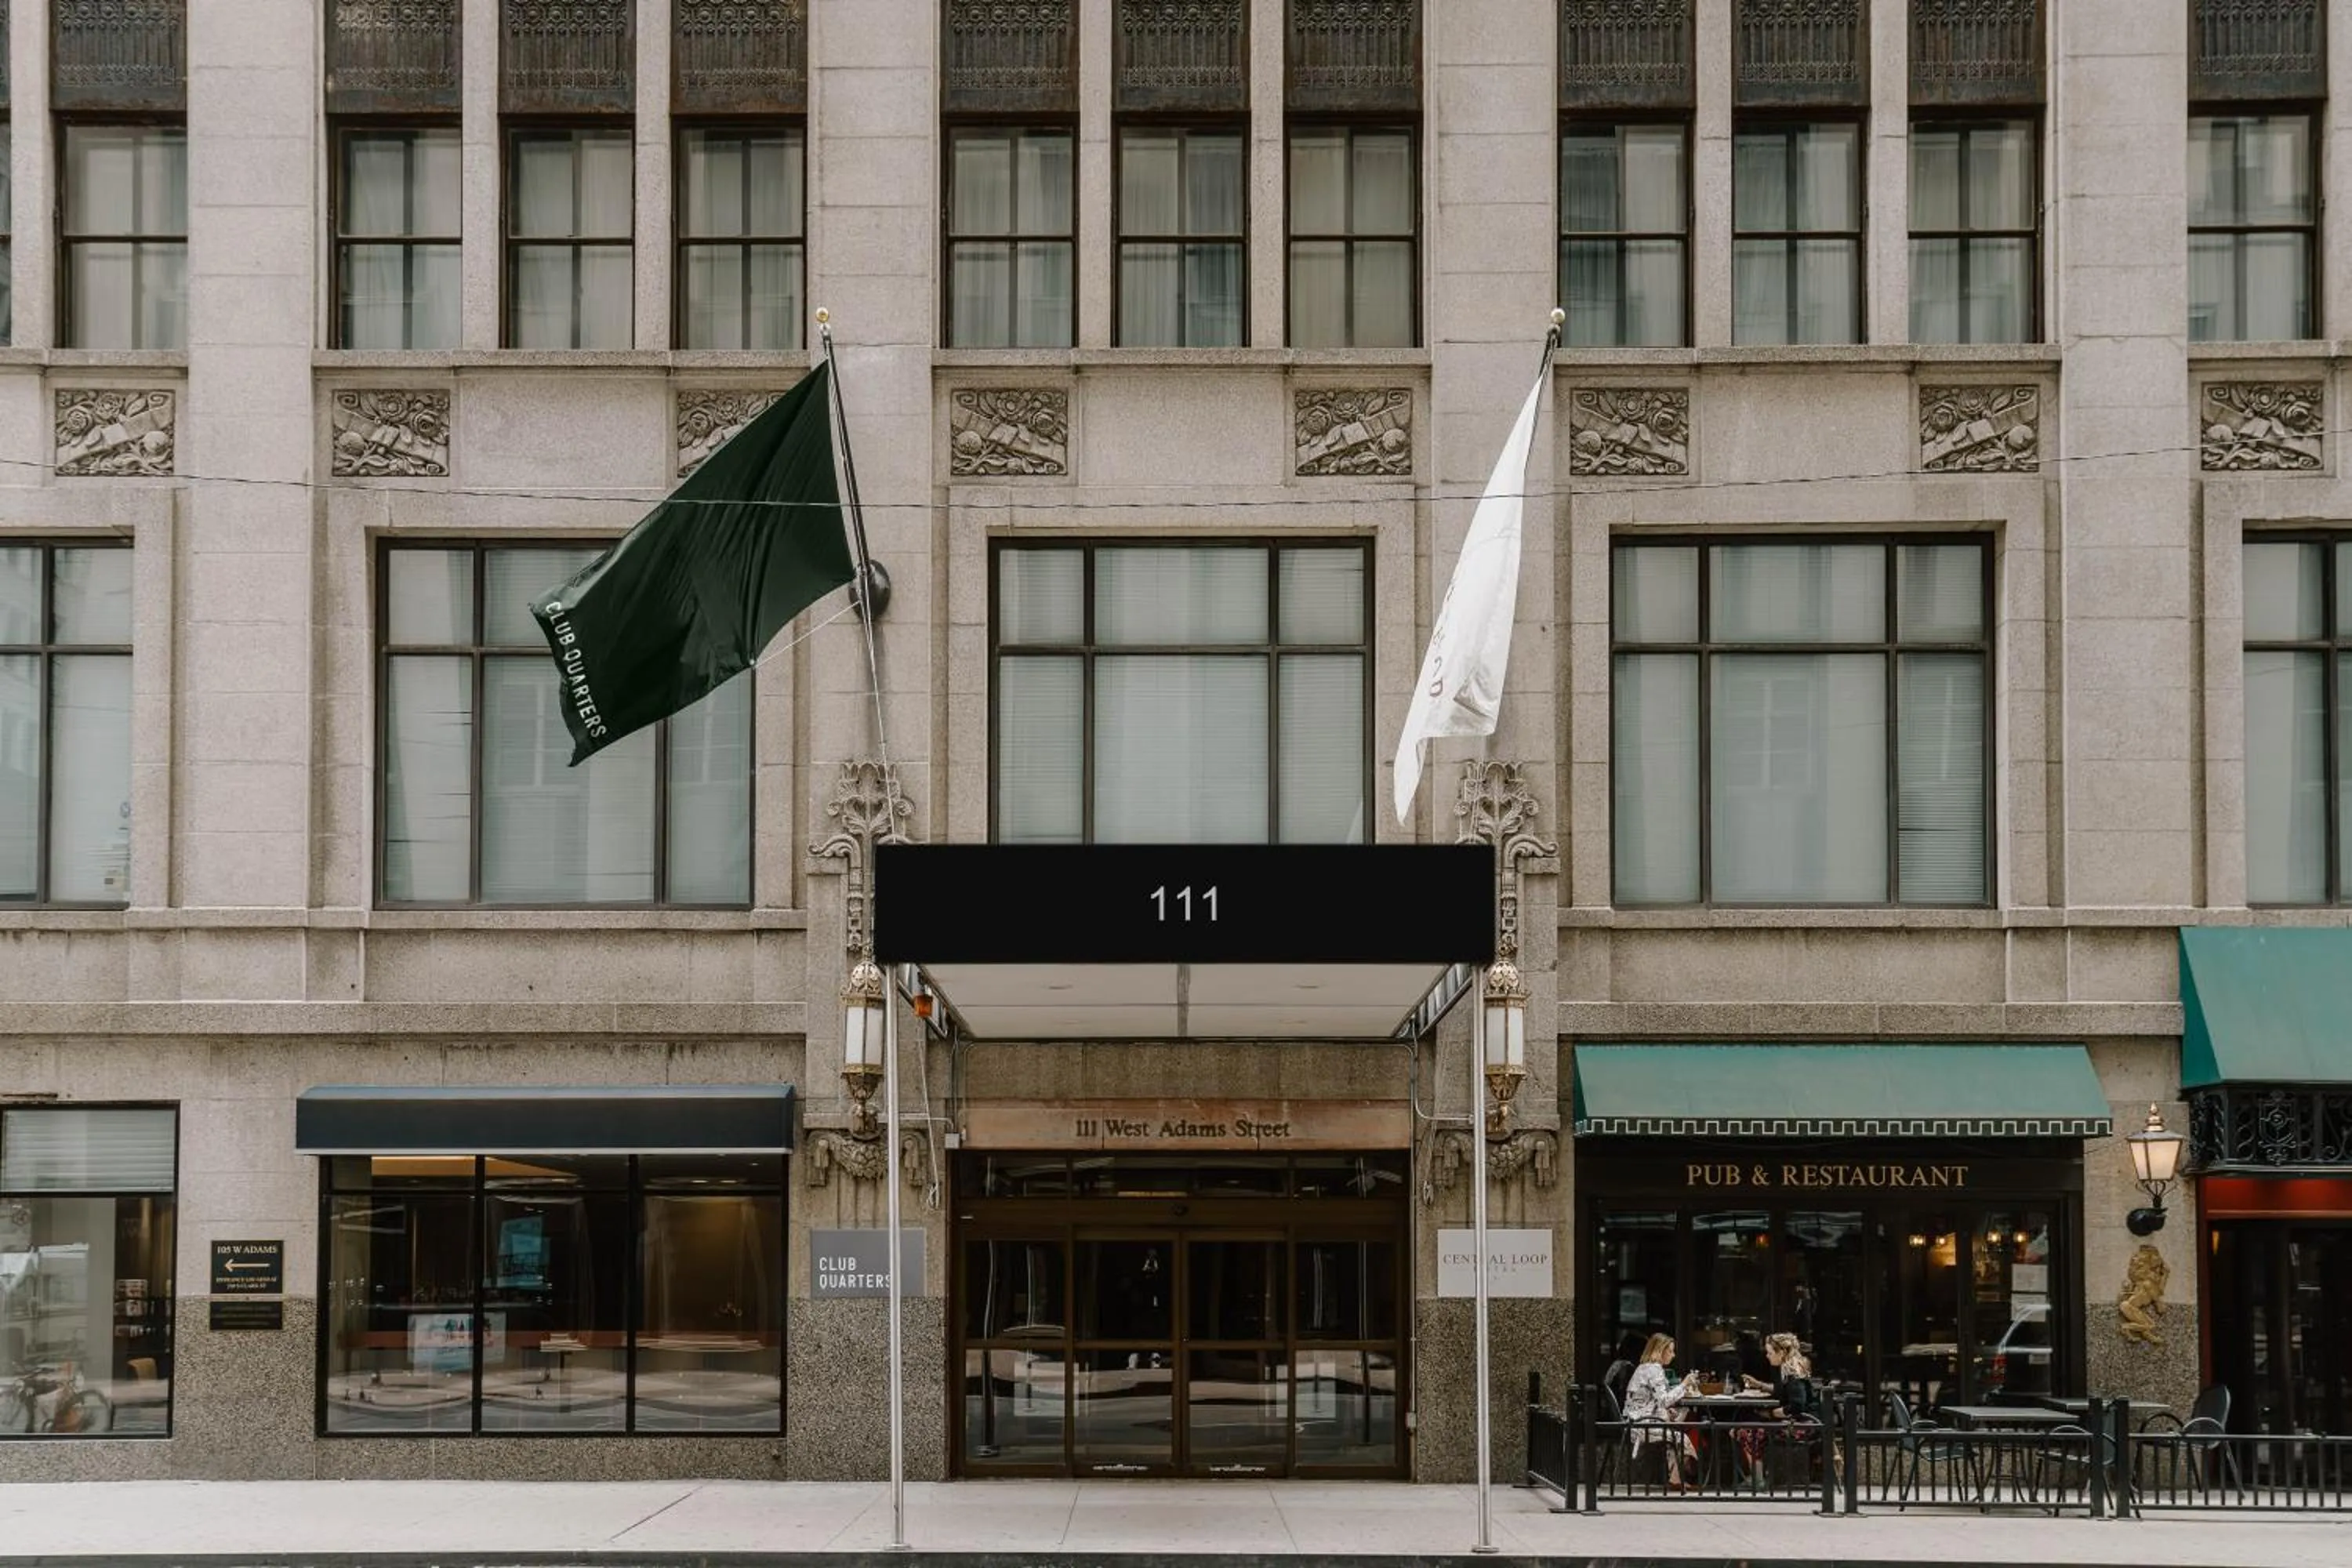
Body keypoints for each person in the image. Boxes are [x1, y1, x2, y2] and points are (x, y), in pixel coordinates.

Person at [1733, 1332, 1819, 1476]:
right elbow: (1783, 1390)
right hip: (1797, 1421)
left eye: (1770, 1353)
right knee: (1746, 1427)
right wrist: (1760, 1385)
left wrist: (1771, 1414)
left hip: (1803, 1425)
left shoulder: (1793, 1373)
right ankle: (1759, 1475)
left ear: (1782, 1353)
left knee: (1746, 1432)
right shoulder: (1788, 1369)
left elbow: (1797, 1406)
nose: (1767, 1356)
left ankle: (1758, 1478)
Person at [1621, 1332, 1700, 1487]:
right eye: (1670, 1351)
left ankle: (1677, 1474)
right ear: (1659, 1351)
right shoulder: (1654, 1369)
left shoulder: (1645, 1368)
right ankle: (1676, 1479)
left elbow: (1653, 1400)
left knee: (1684, 1419)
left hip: (1637, 1421)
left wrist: (1665, 1410)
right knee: (1682, 1437)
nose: (1673, 1355)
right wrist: (1684, 1385)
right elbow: (1664, 1400)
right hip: (1641, 1426)